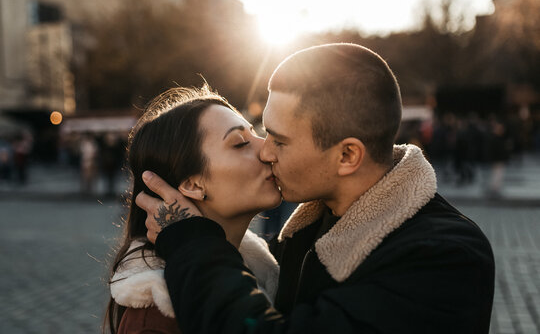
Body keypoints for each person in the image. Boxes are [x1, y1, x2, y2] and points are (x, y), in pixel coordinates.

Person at [137, 44, 495, 333]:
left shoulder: (442, 257)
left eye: (279, 140)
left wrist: (193, 244)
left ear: (347, 156)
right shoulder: (305, 234)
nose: (265, 149)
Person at [105, 86, 282, 334]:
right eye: (241, 143)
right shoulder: (156, 319)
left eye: (256, 133)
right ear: (193, 185)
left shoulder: (268, 269)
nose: (267, 149)